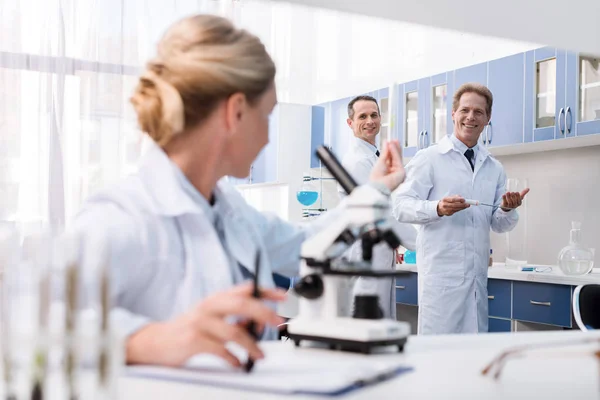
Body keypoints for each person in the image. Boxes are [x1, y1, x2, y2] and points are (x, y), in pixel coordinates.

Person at [72, 15, 407, 368]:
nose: (266, 137)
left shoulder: (230, 208)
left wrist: (375, 190)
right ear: (235, 113)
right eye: (267, 117)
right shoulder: (121, 216)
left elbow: (307, 244)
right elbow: (39, 321)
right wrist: (144, 340)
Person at [392, 82, 529, 335]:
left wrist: (508, 209)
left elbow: (498, 223)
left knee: (471, 356)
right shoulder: (430, 158)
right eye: (465, 110)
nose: (471, 117)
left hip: (477, 281)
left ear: (487, 118)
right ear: (453, 113)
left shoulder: (493, 167)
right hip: (441, 281)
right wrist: (438, 208)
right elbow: (400, 206)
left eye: (479, 112)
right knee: (438, 356)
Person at [338, 95, 417, 319]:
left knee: (379, 316)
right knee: (369, 320)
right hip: (365, 252)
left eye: (374, 115)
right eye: (362, 116)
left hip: (377, 248)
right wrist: (419, 243)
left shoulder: (374, 156)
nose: (369, 121)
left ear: (381, 118)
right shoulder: (358, 161)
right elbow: (380, 210)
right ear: (350, 122)